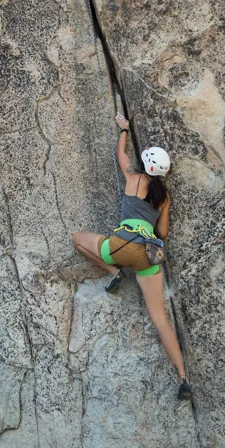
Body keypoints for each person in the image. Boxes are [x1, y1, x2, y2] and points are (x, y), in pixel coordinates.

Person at [70, 112, 192, 400]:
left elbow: (120, 154)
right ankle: (183, 376)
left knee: (77, 239)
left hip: (122, 245)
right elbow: (163, 232)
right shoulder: (164, 196)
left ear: (146, 164)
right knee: (160, 317)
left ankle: (113, 273)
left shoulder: (134, 179)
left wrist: (124, 129)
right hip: (149, 256)